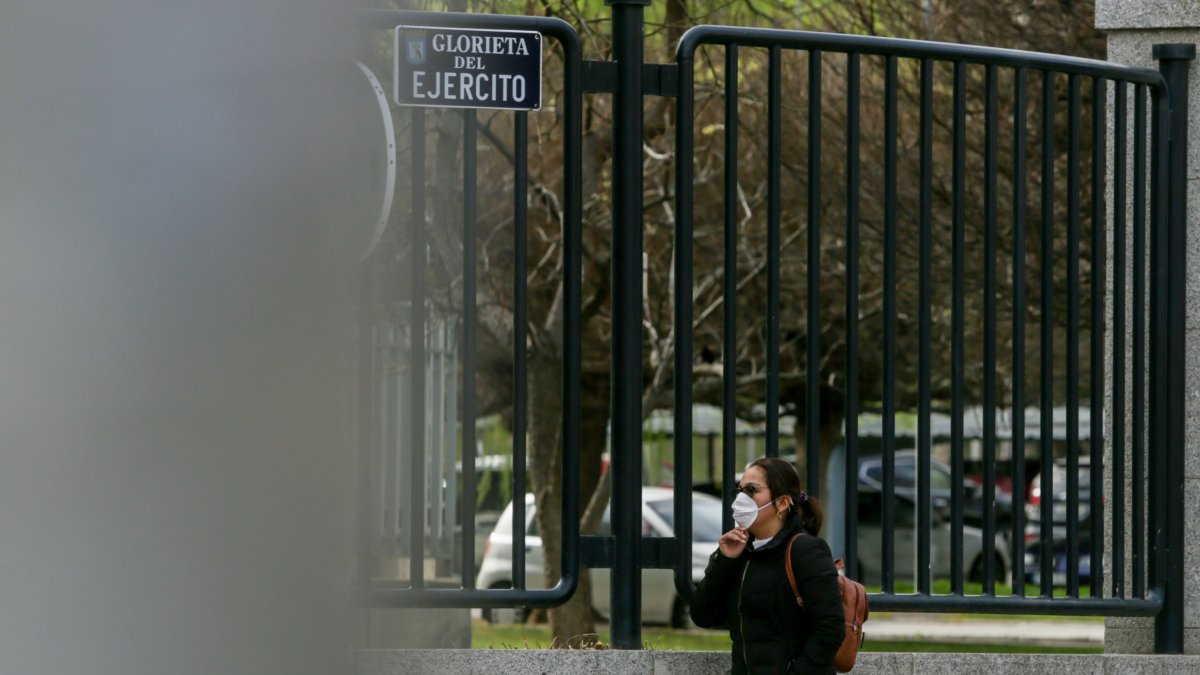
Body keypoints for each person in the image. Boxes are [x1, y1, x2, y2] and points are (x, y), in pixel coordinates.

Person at [690, 457, 845, 674]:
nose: (741, 499)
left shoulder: (806, 550)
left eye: (752, 490)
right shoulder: (742, 552)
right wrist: (724, 560)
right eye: (739, 491)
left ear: (782, 503)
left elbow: (830, 629)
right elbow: (703, 616)